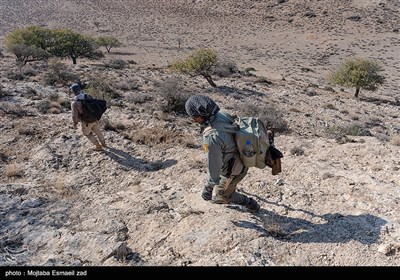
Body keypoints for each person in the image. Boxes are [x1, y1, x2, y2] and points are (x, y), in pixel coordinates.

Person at [185, 94, 260, 213]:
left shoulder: (211, 137)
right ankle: (229, 187)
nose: (192, 119)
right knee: (222, 185)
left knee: (223, 196)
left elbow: (214, 167)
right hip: (241, 156)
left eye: (193, 117)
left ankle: (250, 203)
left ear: (199, 116)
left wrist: (208, 188)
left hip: (234, 168)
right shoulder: (222, 114)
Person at [70, 83, 107, 151]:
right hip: (95, 119)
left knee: (87, 134)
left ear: (73, 92)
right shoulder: (88, 96)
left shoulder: (74, 103)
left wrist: (75, 123)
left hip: (86, 121)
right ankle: (103, 143)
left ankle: (98, 146)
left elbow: (74, 115)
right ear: (80, 89)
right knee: (98, 131)